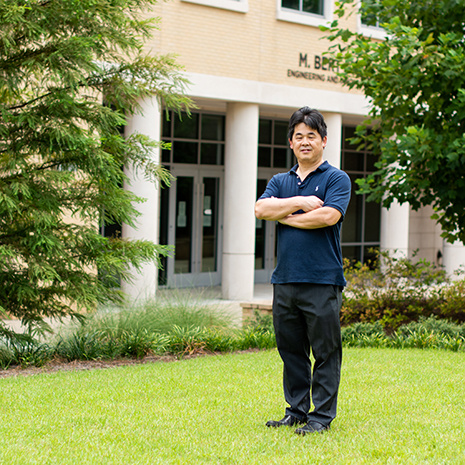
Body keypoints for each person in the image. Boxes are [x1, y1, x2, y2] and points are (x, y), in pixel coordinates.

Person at [255, 107, 351, 435]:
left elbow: (328, 217)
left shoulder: (336, 179)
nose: (305, 141)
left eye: (312, 135)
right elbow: (260, 208)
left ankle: (320, 418)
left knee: (325, 351)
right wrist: (300, 201)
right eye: (299, 136)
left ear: (324, 141)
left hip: (323, 279)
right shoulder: (281, 181)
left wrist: (285, 215)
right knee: (291, 351)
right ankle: (296, 411)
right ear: (291, 144)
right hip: (285, 280)